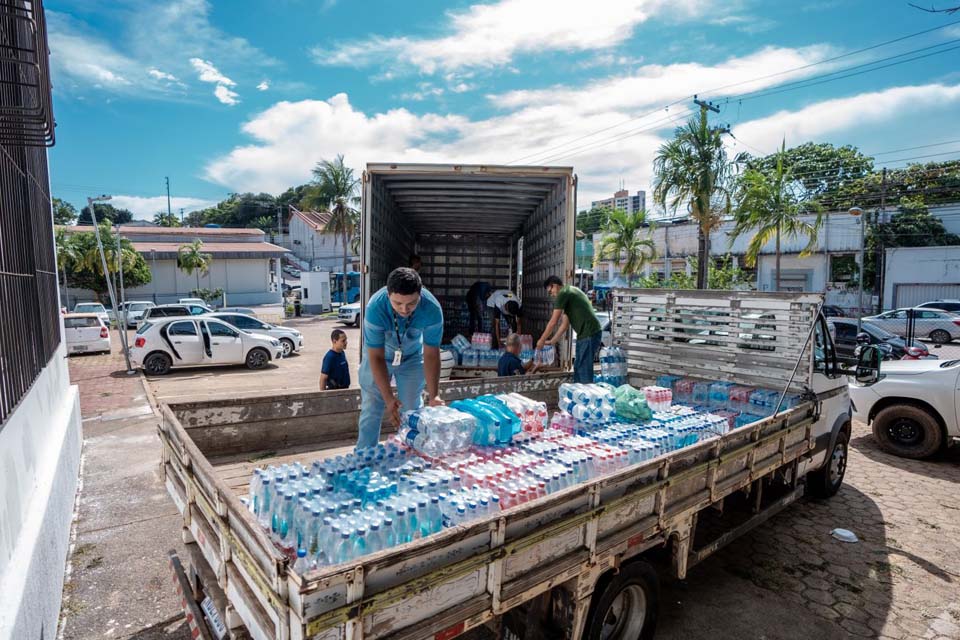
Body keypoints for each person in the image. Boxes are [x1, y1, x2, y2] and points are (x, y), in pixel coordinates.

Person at [357, 267, 444, 450]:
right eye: (397, 303)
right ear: (388, 295)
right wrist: (389, 399)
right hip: (380, 356)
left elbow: (431, 354)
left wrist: (434, 394)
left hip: (412, 356)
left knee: (412, 408)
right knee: (372, 405)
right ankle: (363, 455)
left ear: (420, 295)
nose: (404, 309)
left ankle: (412, 452)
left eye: (411, 304)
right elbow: (376, 356)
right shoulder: (375, 307)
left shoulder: (432, 309)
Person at [537, 275, 602, 383]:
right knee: (578, 368)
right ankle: (580, 396)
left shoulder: (563, 293)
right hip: (587, 334)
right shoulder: (570, 292)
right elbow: (564, 325)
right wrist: (552, 341)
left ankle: (587, 397)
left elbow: (553, 321)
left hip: (589, 333)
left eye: (550, 292)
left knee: (583, 370)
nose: (552, 295)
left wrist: (541, 340)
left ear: (555, 286)